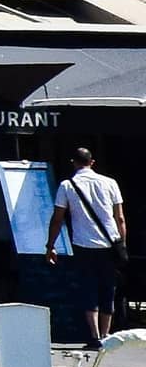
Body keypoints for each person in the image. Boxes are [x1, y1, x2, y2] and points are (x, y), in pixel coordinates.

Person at [57, 147, 130, 342]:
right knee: (108, 287)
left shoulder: (67, 185)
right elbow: (120, 218)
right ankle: (106, 334)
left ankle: (94, 334)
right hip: (109, 244)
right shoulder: (110, 183)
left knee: (88, 288)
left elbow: (57, 218)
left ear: (73, 162)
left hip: (83, 244)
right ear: (92, 162)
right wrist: (122, 244)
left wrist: (50, 245)